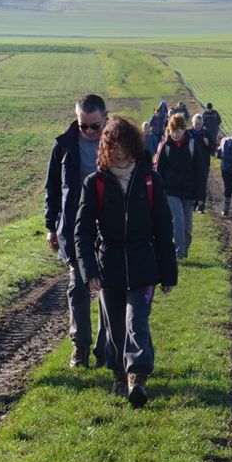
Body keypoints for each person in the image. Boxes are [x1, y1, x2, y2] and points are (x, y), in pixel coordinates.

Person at [75, 116, 178, 408]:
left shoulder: (150, 180)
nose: (119, 153)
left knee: (137, 320)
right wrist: (89, 271)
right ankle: (119, 374)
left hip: (143, 263)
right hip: (109, 266)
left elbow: (163, 227)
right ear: (105, 149)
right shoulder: (94, 183)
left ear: (134, 146)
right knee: (115, 327)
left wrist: (168, 272)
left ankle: (138, 377)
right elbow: (81, 231)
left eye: (124, 147)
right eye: (113, 147)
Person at [44, 93, 108, 368]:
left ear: (105, 119)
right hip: (74, 227)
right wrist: (51, 227)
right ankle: (80, 348)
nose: (90, 132)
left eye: (95, 126)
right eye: (84, 126)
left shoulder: (119, 143)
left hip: (110, 227)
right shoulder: (64, 146)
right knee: (78, 291)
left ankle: (106, 348)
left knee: (109, 291)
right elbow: (53, 189)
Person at [155, 113, 200, 259]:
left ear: (183, 129)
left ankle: (183, 250)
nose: (175, 135)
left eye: (178, 131)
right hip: (170, 190)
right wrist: (159, 191)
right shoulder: (165, 145)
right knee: (178, 220)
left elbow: (200, 171)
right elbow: (159, 170)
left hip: (189, 190)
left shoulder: (192, 144)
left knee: (188, 226)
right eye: (173, 131)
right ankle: (179, 254)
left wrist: (200, 195)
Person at [188, 113, 212, 213]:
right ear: (192, 123)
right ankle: (193, 204)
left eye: (199, 124)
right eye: (196, 124)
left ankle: (201, 206)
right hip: (191, 163)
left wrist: (208, 144)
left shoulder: (206, 133)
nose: (198, 126)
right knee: (192, 183)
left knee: (202, 183)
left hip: (204, 163)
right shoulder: (188, 133)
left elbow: (213, 147)